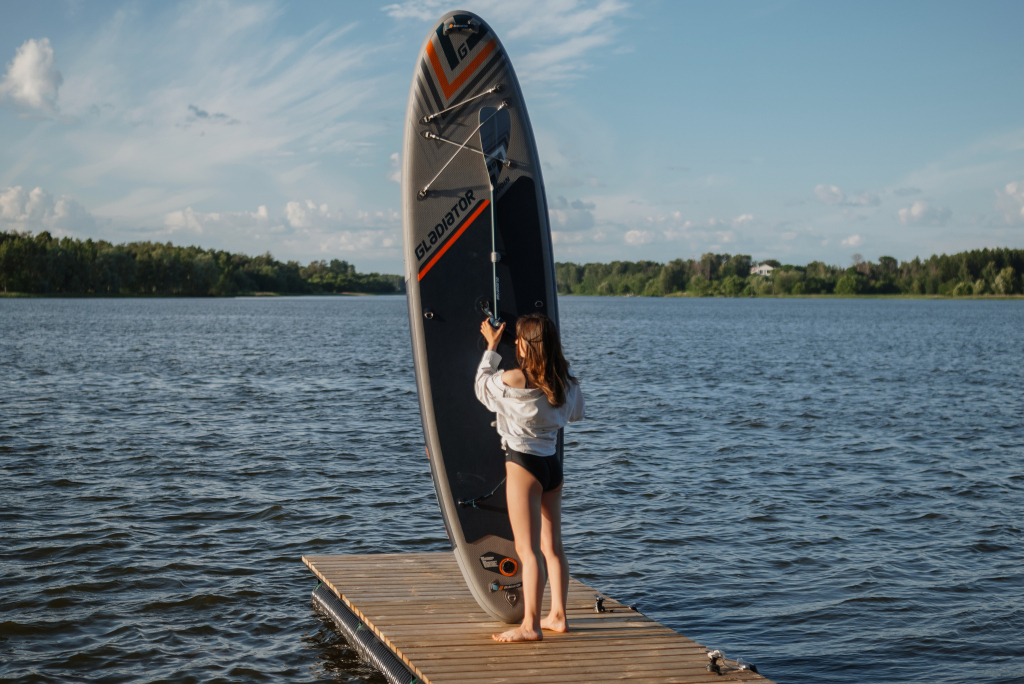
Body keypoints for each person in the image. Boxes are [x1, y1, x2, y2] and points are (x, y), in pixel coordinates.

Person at [475, 313, 585, 642]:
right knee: (553, 548)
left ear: (524, 346)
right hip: (552, 466)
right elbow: (576, 413)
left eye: (519, 340)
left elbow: (481, 388)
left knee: (528, 551)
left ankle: (530, 626)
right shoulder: (565, 381)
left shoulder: (511, 378)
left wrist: (491, 348)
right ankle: (559, 617)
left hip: (523, 466)